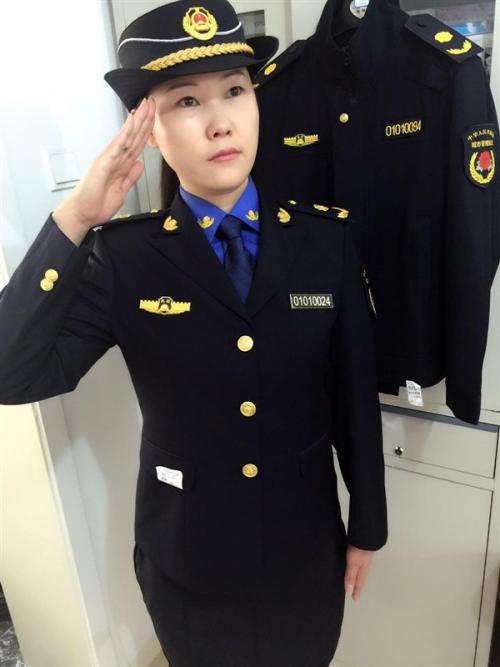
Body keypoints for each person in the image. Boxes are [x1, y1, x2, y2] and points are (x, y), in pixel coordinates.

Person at [0, 1, 388, 665]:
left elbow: (356, 401)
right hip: (187, 562)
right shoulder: (124, 257)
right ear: (147, 129)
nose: (220, 121)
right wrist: (76, 218)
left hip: (304, 554)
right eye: (186, 101)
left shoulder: (325, 242)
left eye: (235, 91)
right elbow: (12, 373)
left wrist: (367, 527)